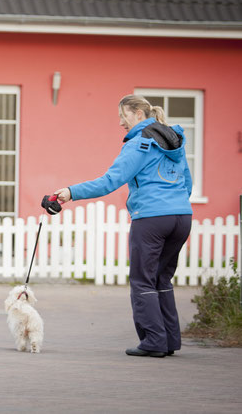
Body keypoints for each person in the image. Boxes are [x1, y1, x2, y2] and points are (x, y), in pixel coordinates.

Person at [53, 94, 192, 358]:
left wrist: (71, 192)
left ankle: (153, 341)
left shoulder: (140, 143)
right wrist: (174, 205)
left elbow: (110, 181)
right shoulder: (175, 141)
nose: (120, 123)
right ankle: (170, 340)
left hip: (151, 218)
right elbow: (187, 181)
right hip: (182, 217)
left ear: (139, 114)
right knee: (162, 278)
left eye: (123, 116)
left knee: (142, 280)